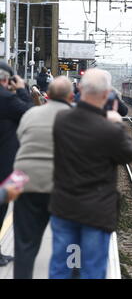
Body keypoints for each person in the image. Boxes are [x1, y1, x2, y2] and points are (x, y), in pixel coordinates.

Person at [49, 69, 132, 279]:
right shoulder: (109, 130)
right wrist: (116, 122)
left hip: (64, 206)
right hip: (96, 211)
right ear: (107, 94)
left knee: (60, 267)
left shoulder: (61, 119)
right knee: (92, 270)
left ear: (79, 88)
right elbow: (129, 154)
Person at [13, 77, 74, 279]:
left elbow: (22, 138)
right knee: (69, 243)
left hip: (27, 183)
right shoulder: (76, 117)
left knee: (25, 244)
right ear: (71, 96)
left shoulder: (31, 113)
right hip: (63, 187)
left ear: (48, 93)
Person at [0, 62, 33, 266]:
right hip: (4, 166)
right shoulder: (7, 99)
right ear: (7, 79)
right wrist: (21, 89)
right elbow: (30, 113)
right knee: (2, 208)